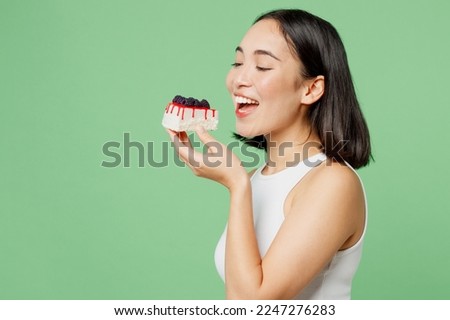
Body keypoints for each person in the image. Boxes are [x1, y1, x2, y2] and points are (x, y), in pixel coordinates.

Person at [167, 9, 371, 299]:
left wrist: (237, 185)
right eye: (237, 62)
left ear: (311, 89)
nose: (239, 78)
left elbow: (251, 305)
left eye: (262, 66)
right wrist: (241, 182)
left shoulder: (333, 182)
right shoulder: (255, 179)